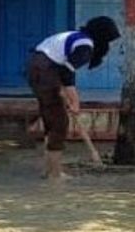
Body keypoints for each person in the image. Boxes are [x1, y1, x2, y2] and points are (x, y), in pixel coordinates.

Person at [28, 16, 120, 180]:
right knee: (59, 123)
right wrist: (74, 100)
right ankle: (55, 174)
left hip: (38, 68)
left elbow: (61, 68)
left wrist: (64, 92)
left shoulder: (78, 37)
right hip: (45, 71)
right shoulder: (86, 46)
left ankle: (48, 171)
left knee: (51, 120)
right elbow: (66, 72)